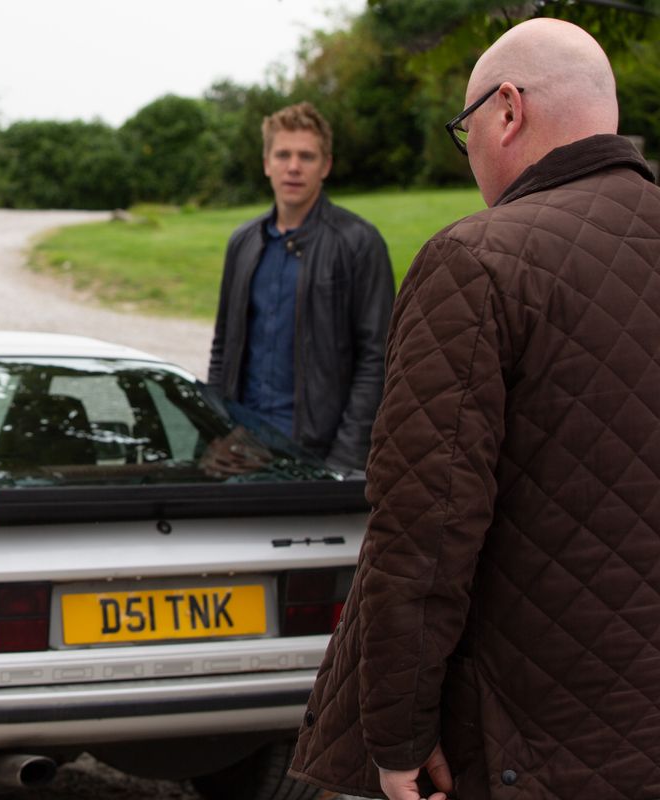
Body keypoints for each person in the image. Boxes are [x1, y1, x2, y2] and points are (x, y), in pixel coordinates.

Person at [288, 18, 660, 800]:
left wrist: (393, 735)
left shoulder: (478, 260)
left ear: (508, 110)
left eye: (468, 130)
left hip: (525, 739)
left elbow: (423, 526)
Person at [207, 102, 394, 474]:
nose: (293, 166)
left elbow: (378, 358)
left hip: (320, 453)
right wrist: (216, 428)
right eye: (283, 154)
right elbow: (223, 346)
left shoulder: (359, 241)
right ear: (266, 163)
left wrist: (343, 460)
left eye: (306, 156)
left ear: (325, 165)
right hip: (244, 446)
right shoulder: (242, 242)